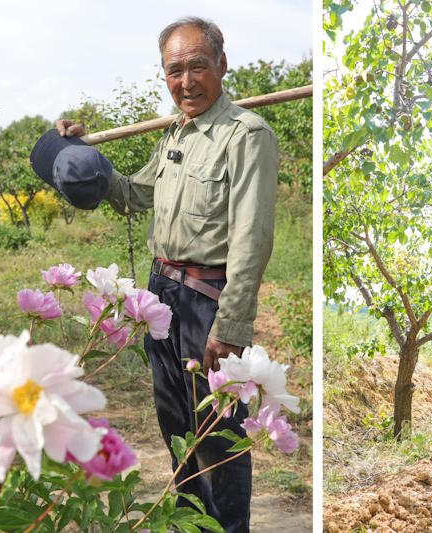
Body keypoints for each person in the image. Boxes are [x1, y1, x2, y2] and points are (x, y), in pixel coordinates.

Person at [56, 17, 278, 532]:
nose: (186, 81)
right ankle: (187, 523)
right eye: (174, 70)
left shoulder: (246, 136)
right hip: (162, 298)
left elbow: (253, 239)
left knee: (218, 436)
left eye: (197, 66)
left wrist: (232, 325)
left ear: (222, 65)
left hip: (208, 303)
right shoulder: (175, 134)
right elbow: (135, 195)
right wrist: (84, 159)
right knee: (176, 427)